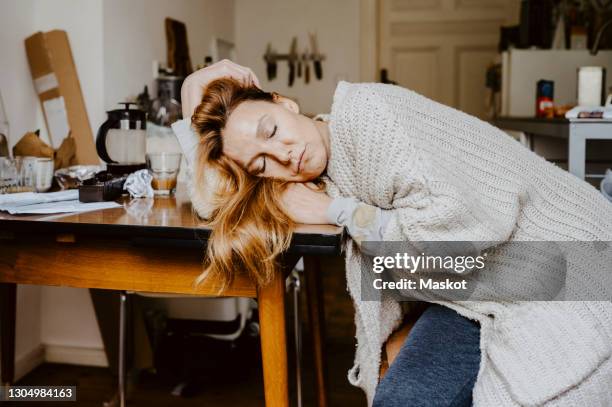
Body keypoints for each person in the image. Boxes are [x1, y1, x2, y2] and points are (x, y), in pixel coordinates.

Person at [172, 60, 612, 406]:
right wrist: (191, 105)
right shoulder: (319, 172)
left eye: (271, 130)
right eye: (261, 163)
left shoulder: (367, 116)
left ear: (285, 103)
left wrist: (338, 211)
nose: (283, 156)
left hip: (565, 266)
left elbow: (454, 234)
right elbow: (213, 204)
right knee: (405, 399)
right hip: (475, 291)